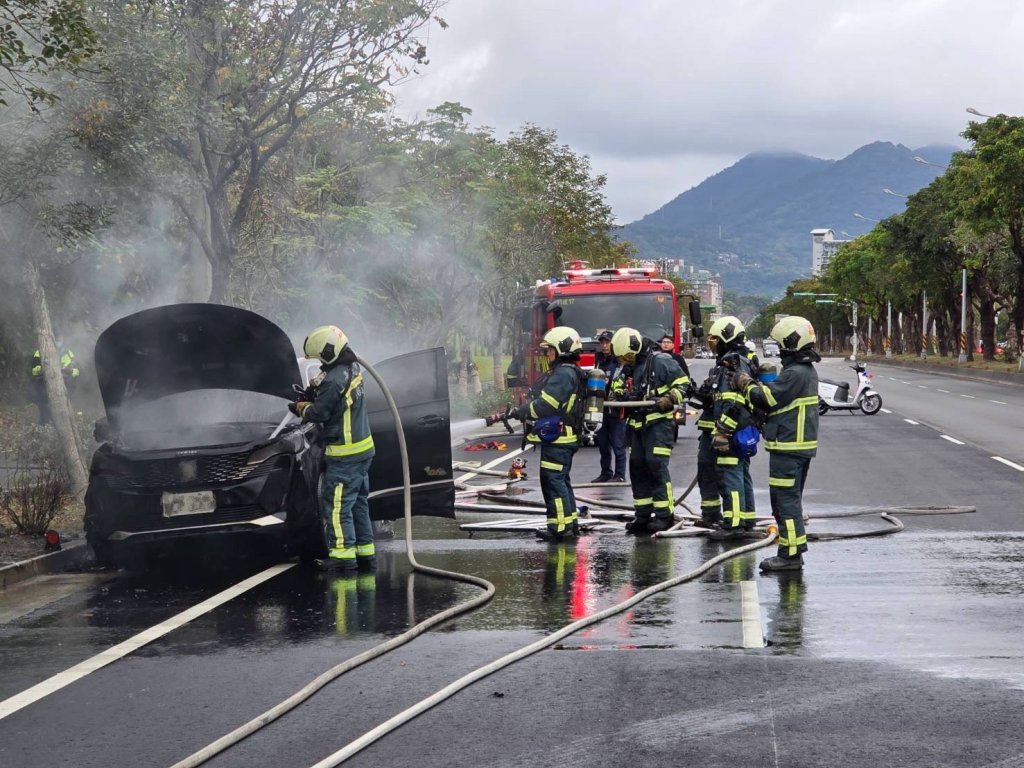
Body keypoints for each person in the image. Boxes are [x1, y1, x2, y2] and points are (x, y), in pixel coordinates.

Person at [734, 316, 820, 572]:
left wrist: (745, 383)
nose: (780, 349)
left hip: (789, 448)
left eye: (782, 343)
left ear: (792, 342)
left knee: (785, 502)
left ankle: (790, 556)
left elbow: (767, 399)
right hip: (794, 446)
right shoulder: (802, 371)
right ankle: (794, 551)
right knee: (788, 500)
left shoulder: (795, 373)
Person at [292, 325, 376, 573]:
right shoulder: (351, 368)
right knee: (359, 503)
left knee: (338, 507)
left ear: (329, 353)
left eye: (320, 358)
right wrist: (316, 386)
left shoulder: (334, 380)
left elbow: (319, 413)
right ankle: (365, 554)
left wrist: (300, 407)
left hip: (345, 454)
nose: (320, 363)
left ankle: (342, 559)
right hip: (363, 452)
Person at [610, 327, 689, 535]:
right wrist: (618, 394)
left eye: (626, 356)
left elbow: (684, 384)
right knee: (637, 467)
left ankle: (665, 516)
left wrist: (670, 399)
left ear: (635, 349)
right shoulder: (628, 366)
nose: (624, 361)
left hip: (658, 425)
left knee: (656, 466)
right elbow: (617, 386)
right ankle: (643, 515)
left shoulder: (660, 362)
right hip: (636, 425)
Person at [513, 327, 585, 543]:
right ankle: (568, 523)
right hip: (564, 436)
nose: (547, 354)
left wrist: (525, 410)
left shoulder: (564, 373)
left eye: (550, 350)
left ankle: (560, 528)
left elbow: (548, 404)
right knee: (561, 480)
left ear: (562, 349)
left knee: (553, 481)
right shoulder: (569, 370)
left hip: (559, 438)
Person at [704, 316, 759, 541]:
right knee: (740, 473)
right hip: (739, 429)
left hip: (733, 431)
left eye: (715, 338)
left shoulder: (734, 363)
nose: (711, 342)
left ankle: (734, 524)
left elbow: (737, 402)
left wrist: (724, 431)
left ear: (727, 338)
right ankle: (746, 519)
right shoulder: (731, 361)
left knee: (731, 476)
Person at [591, 330, 627, 483]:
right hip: (601, 408)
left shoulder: (619, 361)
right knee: (603, 444)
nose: (604, 346)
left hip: (616, 409)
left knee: (618, 445)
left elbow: (623, 382)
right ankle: (606, 472)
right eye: (602, 343)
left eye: (607, 342)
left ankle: (619, 475)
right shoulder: (599, 361)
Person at [30, 341, 80, 425]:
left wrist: (69, 371)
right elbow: (34, 371)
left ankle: (63, 423)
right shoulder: (39, 352)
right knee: (44, 406)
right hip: (44, 384)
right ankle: (44, 423)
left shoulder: (68, 353)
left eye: (59, 338)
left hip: (64, 385)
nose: (57, 342)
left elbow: (77, 372)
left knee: (63, 409)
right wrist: (43, 369)